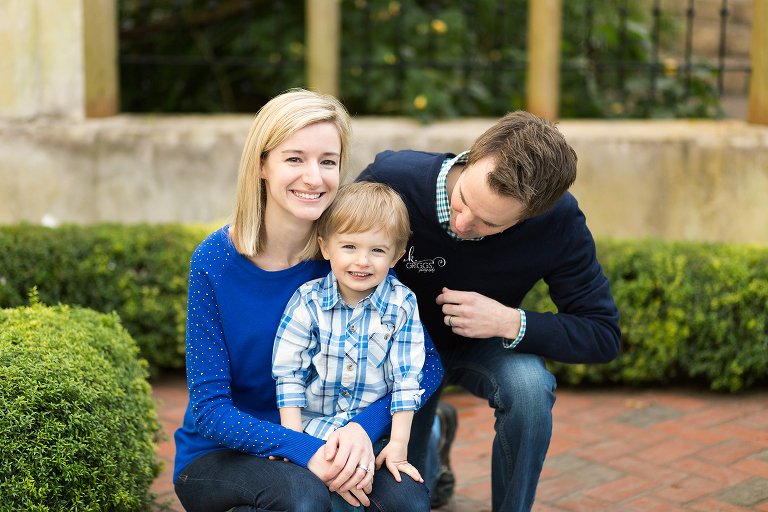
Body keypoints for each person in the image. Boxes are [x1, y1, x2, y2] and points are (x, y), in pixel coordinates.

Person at [172, 89, 441, 512]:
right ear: (262, 164)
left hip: (328, 433)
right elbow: (208, 409)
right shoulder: (214, 261)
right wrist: (301, 450)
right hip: (221, 454)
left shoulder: (349, 254)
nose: (314, 178)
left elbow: (427, 365)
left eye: (328, 162)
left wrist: (361, 427)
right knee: (301, 497)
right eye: (294, 159)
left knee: (408, 502)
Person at [356, 110, 622, 512]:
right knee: (409, 497)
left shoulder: (559, 221)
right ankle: (434, 435)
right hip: (393, 351)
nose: (463, 223)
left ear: (531, 214)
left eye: (488, 224)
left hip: (480, 346)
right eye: (462, 200)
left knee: (531, 391)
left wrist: (509, 321)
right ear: (473, 156)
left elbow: (602, 334)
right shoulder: (394, 177)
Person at [272, 181, 425, 497]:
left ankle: (431, 438)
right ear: (326, 247)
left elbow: (406, 380)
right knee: (325, 487)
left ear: (396, 256)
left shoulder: (402, 305)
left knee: (388, 492)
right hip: (313, 427)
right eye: (349, 247)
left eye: (377, 250)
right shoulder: (307, 302)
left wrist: (398, 445)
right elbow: (289, 375)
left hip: (372, 430)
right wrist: (294, 443)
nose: (362, 261)